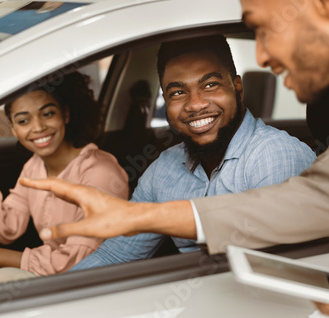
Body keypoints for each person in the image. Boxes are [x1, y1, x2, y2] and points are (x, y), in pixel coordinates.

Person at [19, 0, 329, 316]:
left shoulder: (275, 152)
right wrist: (137, 217)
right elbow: (323, 198)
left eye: (263, 28)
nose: (262, 56)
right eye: (177, 92)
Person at [69, 35, 316, 270]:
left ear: (237, 87)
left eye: (210, 85)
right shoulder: (163, 169)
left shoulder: (275, 156)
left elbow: (272, 268)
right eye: (178, 92)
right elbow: (116, 255)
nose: (195, 104)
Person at [0, 71, 129, 287]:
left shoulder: (99, 172)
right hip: (54, 272)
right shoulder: (34, 166)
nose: (38, 128)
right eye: (24, 120)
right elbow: (6, 228)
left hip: (91, 280)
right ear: (14, 129)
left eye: (48, 114)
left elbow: (77, 260)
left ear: (66, 115)